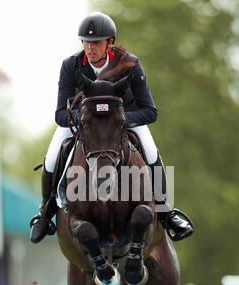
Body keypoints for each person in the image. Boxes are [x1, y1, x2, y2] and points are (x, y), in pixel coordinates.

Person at [30, 12, 194, 244]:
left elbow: (149, 110)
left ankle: (166, 212)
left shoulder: (130, 64)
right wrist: (88, 119)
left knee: (150, 150)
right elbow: (60, 113)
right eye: (85, 42)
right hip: (84, 124)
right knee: (52, 157)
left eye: (96, 42)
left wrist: (118, 120)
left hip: (121, 122)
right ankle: (45, 213)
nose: (90, 47)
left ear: (110, 42)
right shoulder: (71, 66)